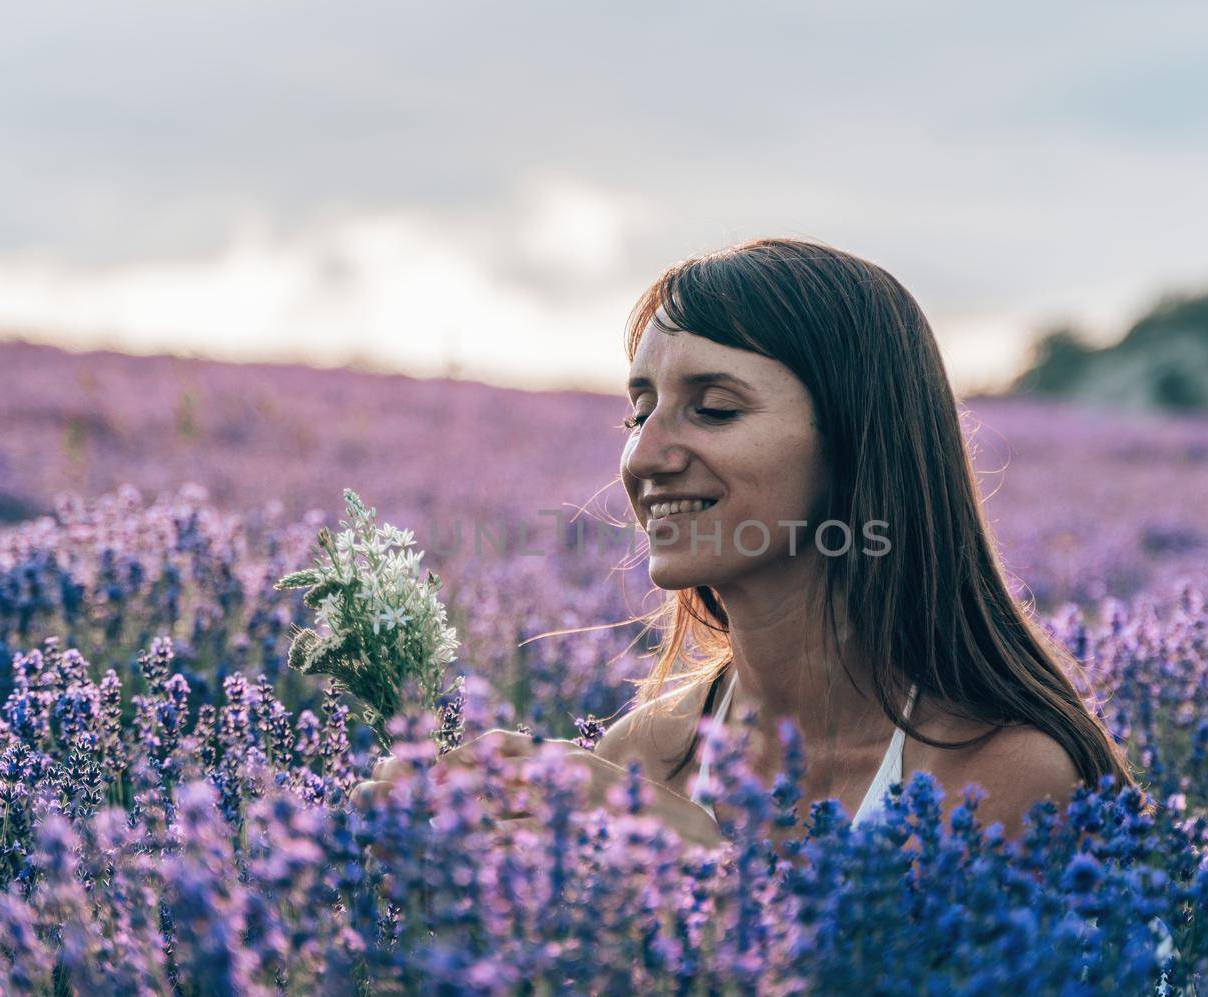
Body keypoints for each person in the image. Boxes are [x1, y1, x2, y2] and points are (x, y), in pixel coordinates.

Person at [353, 236, 1144, 850]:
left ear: (856, 442)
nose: (645, 456)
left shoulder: (1004, 774)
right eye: (640, 410)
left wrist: (704, 865)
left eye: (715, 409)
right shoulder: (648, 749)